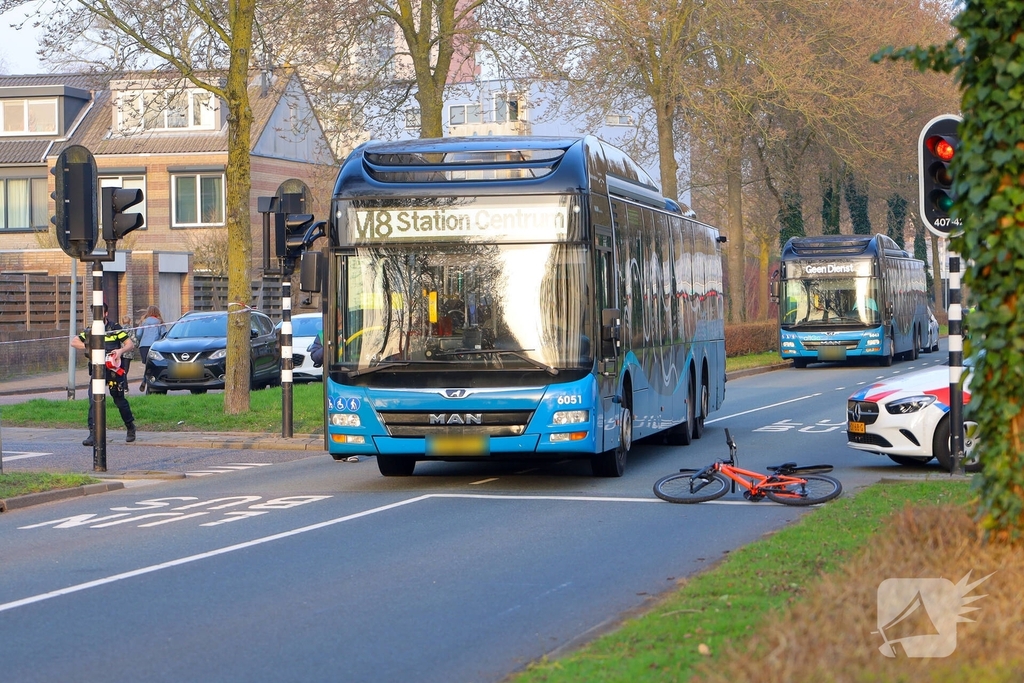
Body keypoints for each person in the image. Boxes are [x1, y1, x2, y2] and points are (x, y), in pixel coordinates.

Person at [71, 303, 137, 445]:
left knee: (119, 400)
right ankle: (93, 434)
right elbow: (74, 342)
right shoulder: (90, 330)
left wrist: (119, 352)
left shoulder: (115, 328)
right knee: (93, 401)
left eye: (100, 313)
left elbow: (129, 344)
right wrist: (91, 347)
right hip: (97, 370)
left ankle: (130, 427)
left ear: (106, 314)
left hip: (113, 370)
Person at [136, 305, 166, 392]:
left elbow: (138, 334)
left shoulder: (143, 322)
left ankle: (145, 382)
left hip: (143, 347)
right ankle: (149, 385)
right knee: (152, 367)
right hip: (154, 346)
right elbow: (164, 334)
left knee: (147, 366)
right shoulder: (159, 322)